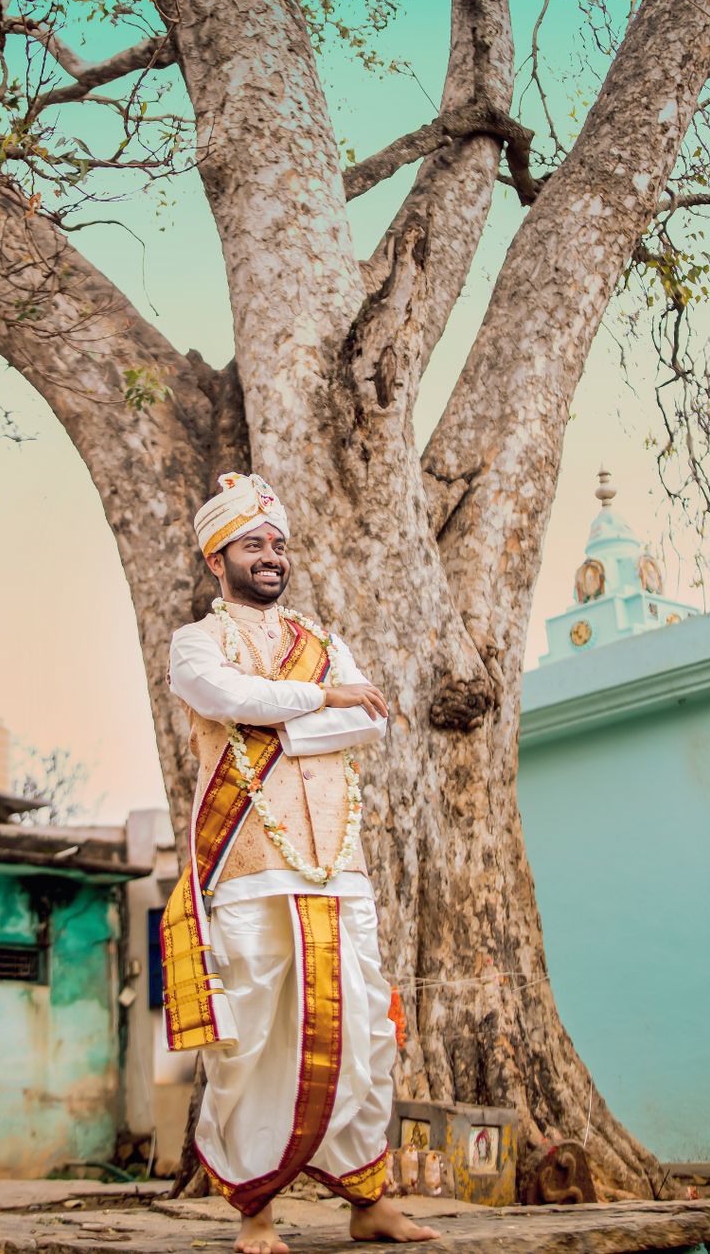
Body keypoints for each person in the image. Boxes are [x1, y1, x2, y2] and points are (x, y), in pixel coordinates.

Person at [162, 471, 438, 1253]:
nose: (272, 557)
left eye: (279, 545)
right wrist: (322, 703)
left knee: (363, 1030)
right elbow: (222, 697)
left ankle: (369, 1199)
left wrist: (295, 711)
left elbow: (371, 723)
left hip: (336, 865)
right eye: (254, 545)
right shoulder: (196, 642)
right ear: (219, 560)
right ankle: (255, 1210)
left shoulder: (323, 642)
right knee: (249, 1035)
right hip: (251, 867)